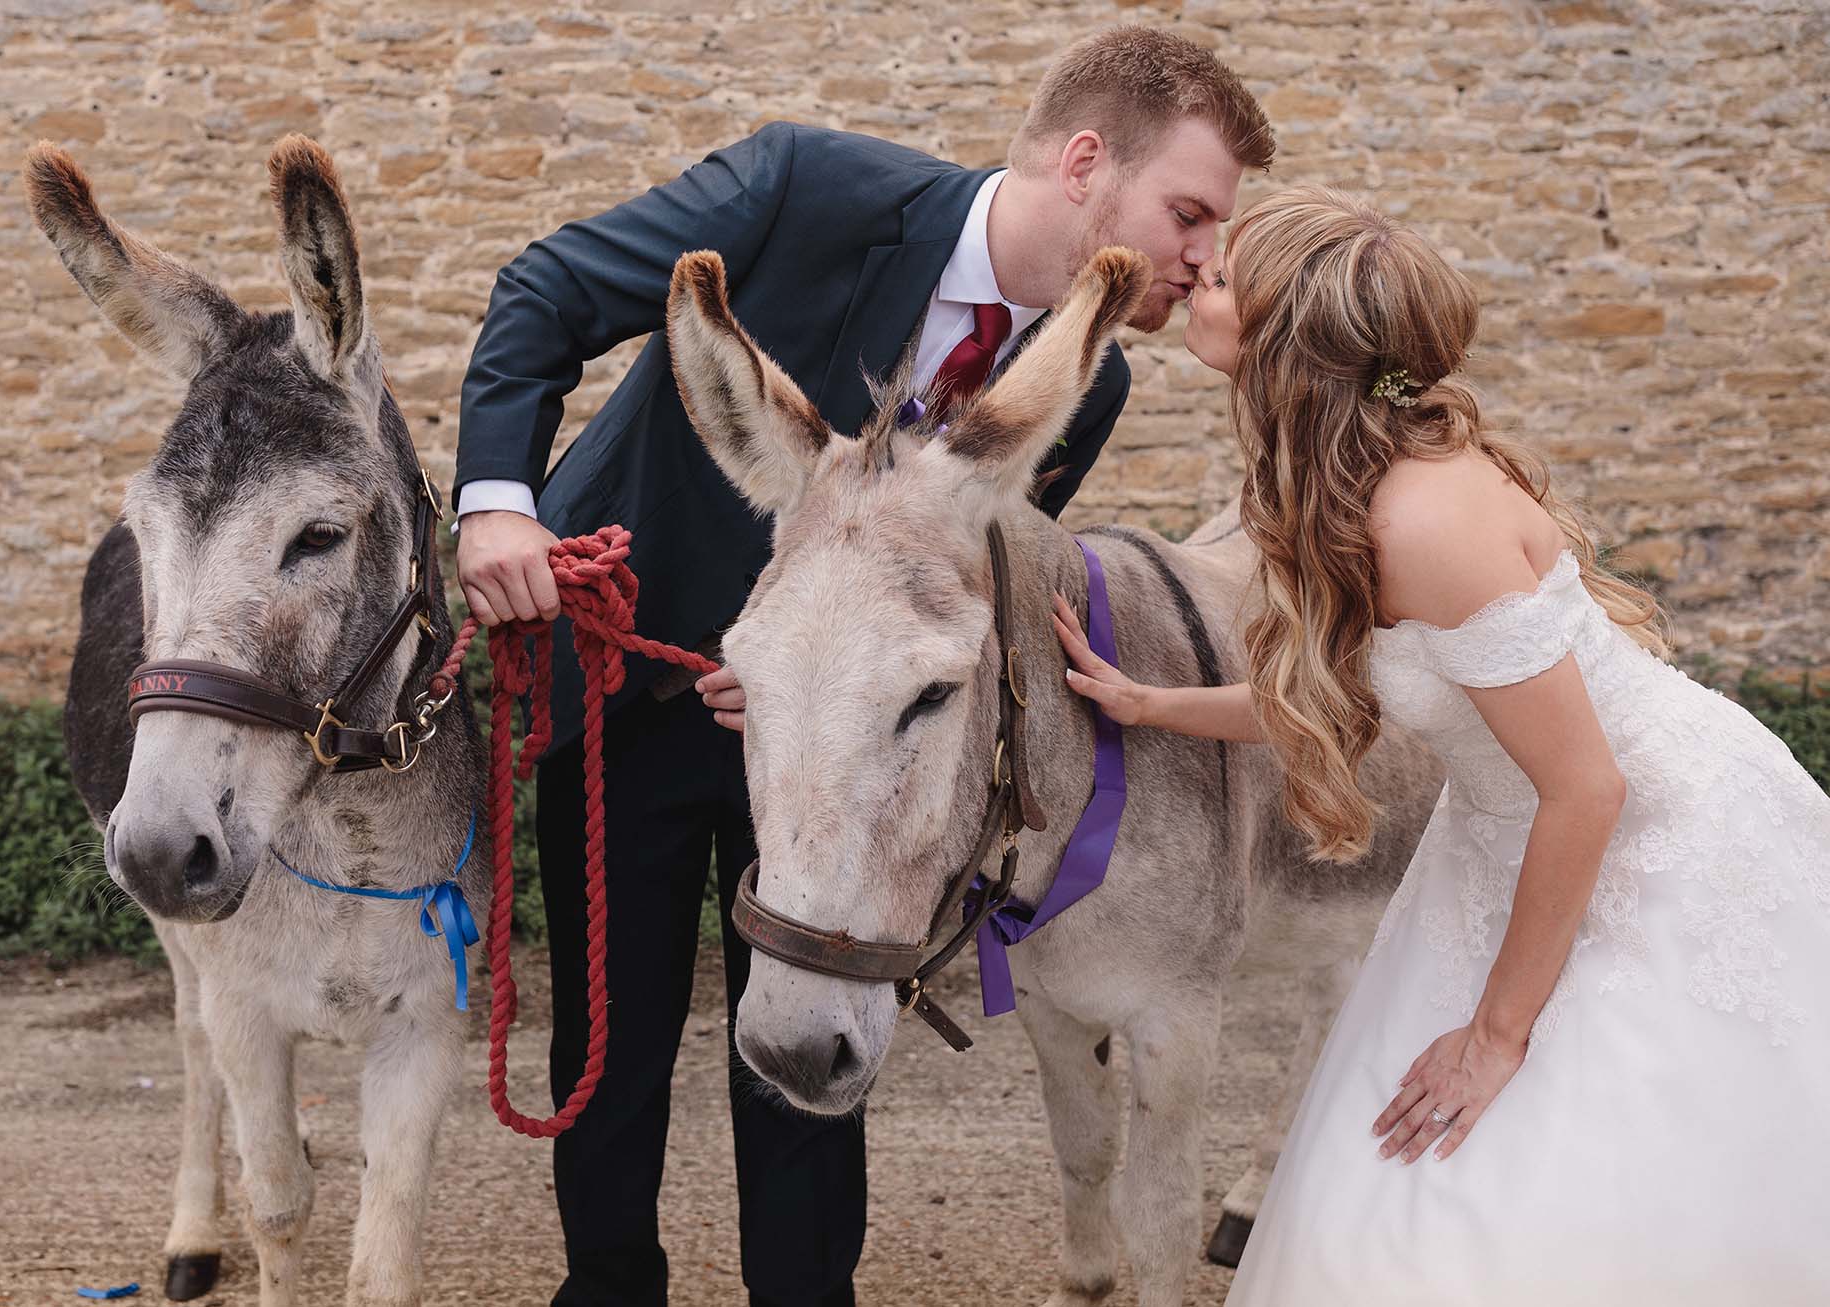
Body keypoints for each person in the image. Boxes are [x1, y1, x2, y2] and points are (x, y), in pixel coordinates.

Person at [451, 25, 1274, 1307]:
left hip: (865, 746)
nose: (1203, 259)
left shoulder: (1082, 385)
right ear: (1083, 163)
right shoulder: (803, 187)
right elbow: (545, 293)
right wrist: (498, 505)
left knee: (820, 1038)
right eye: (1188, 213)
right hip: (638, 690)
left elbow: (972, 594)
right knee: (612, 1040)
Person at [1052, 184, 1830, 1304]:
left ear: (1292, 340)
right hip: (1502, 843)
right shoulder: (1338, 472)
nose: (1197, 274)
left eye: (1224, 276)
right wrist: (1155, 705)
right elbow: (1357, 687)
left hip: (1647, 843)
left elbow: (1584, 786)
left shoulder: (1425, 517)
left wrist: (1495, 1034)